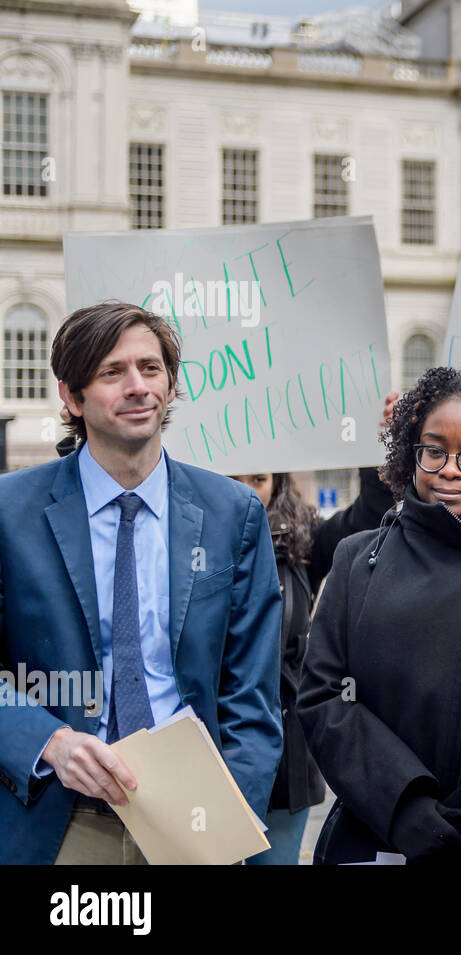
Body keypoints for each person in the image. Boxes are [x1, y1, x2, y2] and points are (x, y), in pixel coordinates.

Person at [0, 302, 282, 864]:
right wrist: (46, 741)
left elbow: (252, 697)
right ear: (71, 397)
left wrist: (229, 825)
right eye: (112, 372)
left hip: (194, 822)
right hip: (58, 816)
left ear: (172, 385)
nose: (137, 387)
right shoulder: (10, 512)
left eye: (151, 369)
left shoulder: (234, 513)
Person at [299, 368, 461, 864]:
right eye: (433, 450)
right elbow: (325, 697)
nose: (449, 470)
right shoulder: (358, 559)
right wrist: (404, 805)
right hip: (376, 836)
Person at [232, 409, 396, 865]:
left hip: (284, 757)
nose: (248, 491)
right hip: (210, 747)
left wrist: (376, 439)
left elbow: (369, 515)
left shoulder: (304, 547)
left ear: (278, 484)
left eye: (259, 478)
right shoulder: (191, 545)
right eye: (235, 478)